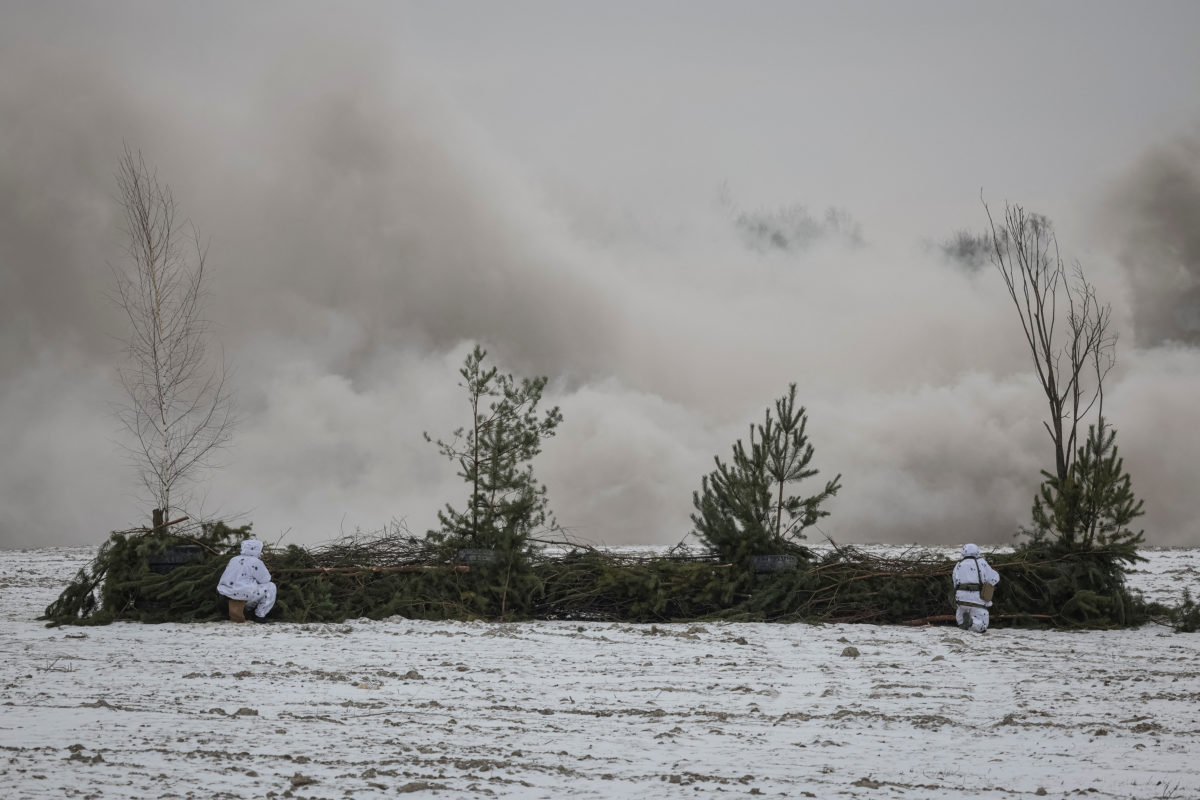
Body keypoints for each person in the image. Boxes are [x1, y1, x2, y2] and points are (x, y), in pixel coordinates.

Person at [217, 539, 276, 623]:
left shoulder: (234, 559)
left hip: (226, 595)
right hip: (243, 595)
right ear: (257, 549)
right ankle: (259, 615)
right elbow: (266, 579)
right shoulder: (256, 562)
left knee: (248, 587)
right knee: (271, 587)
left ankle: (240, 610)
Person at [952, 543, 1000, 633]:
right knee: (983, 625)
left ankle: (966, 622)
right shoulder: (981, 562)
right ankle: (972, 622)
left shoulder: (958, 564)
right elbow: (995, 577)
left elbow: (955, 583)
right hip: (976, 598)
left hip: (961, 599)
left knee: (963, 624)